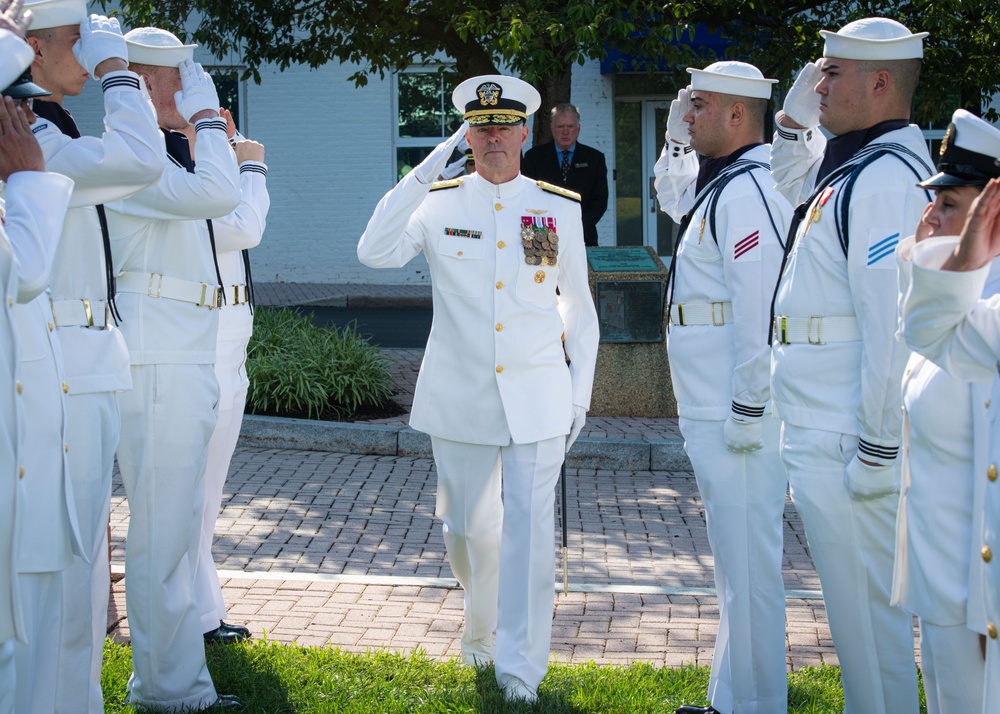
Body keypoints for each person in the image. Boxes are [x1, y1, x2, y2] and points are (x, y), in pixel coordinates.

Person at [358, 74, 599, 704]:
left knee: (528, 533)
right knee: (466, 531)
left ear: (525, 131)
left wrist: (579, 394)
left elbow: (579, 308)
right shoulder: (438, 202)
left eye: (504, 126)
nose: (494, 138)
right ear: (469, 134)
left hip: (539, 395)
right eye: (481, 127)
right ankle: (480, 621)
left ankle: (519, 671)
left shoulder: (556, 207)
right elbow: (373, 250)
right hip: (460, 397)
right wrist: (428, 165)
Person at [769, 17, 933, 713]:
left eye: (832, 72)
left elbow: (890, 327)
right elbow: (787, 178)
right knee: (854, 616)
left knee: (870, 620)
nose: (818, 82)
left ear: (880, 83)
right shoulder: (855, 165)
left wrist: (877, 446)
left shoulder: (889, 178)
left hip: (847, 437)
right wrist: (793, 118)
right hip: (822, 425)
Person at [22, 2, 165, 710]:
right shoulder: (31, 134)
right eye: (77, 42)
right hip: (56, 368)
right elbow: (140, 159)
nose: (89, 53)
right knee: (59, 569)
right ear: (31, 48)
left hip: (84, 359)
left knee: (78, 570)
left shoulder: (48, 127)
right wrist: (117, 71)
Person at [104, 26, 241, 711]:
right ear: (147, 81)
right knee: (162, 535)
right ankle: (170, 690)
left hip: (182, 347)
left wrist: (196, 125)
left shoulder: (155, 154)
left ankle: (171, 681)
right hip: (160, 356)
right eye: (178, 77)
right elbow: (222, 191)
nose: (185, 88)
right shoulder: (135, 158)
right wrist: (208, 116)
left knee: (175, 530)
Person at [654, 62, 791, 714]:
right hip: (710, 406)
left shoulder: (752, 188)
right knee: (734, 567)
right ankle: (730, 701)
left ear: (738, 115)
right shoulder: (724, 183)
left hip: (737, 414)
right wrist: (679, 139)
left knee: (751, 571)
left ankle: (757, 706)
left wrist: (745, 409)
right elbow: (667, 195)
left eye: (700, 106)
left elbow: (759, 309)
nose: (689, 112)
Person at [892, 109, 1000, 714]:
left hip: (977, 593)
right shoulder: (961, 292)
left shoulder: (984, 306)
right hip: (941, 588)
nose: (930, 216)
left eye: (950, 205)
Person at [0, 70, 74, 714]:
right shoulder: (19, 197)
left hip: (31, 494)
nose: (27, 126)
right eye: (14, 112)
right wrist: (28, 178)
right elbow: (21, 273)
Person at [193, 107, 269, 646]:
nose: (226, 133)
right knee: (194, 493)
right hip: (204, 342)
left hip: (230, 342)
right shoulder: (183, 170)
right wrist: (253, 168)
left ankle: (201, 608)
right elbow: (245, 227)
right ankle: (196, 615)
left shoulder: (210, 171)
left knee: (207, 493)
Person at [521, 103, 608, 246]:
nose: (565, 132)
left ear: (578, 128)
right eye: (560, 127)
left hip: (583, 236)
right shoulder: (534, 158)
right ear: (552, 128)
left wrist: (576, 226)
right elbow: (527, 196)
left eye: (570, 126)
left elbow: (599, 201)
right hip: (543, 237)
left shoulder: (594, 159)